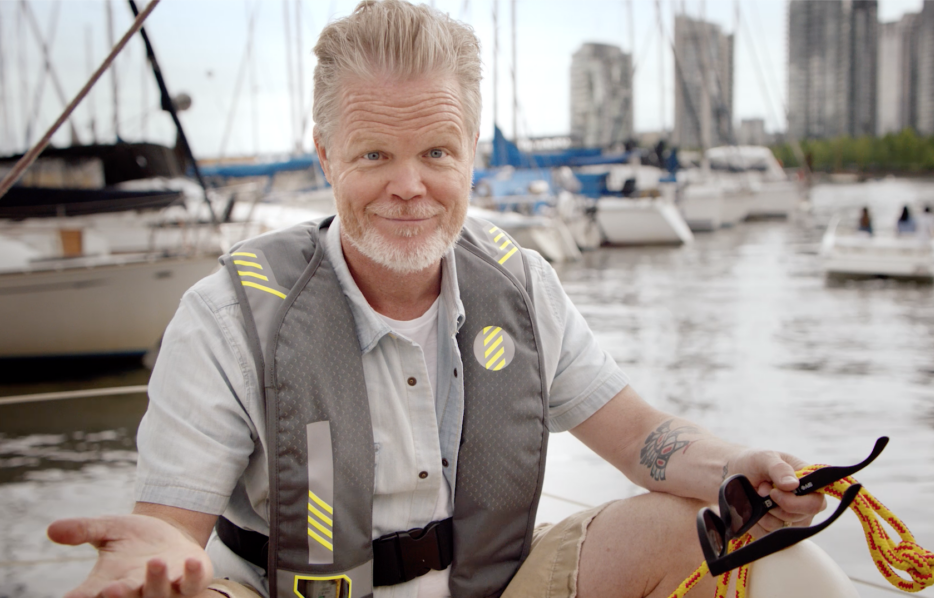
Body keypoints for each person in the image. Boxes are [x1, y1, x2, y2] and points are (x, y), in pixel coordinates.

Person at [47, 3, 835, 598]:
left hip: (490, 587)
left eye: (435, 152)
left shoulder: (523, 286)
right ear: (325, 154)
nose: (409, 186)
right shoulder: (226, 318)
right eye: (373, 154)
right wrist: (152, 565)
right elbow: (169, 534)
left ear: (472, 153)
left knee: (695, 525)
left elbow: (640, 438)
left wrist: (738, 467)